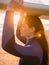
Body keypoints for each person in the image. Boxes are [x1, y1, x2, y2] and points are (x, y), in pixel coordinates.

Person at [2, 0, 48, 65]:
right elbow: (18, 34)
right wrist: (21, 17)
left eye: (23, 26)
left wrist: (10, 10)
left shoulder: (35, 50)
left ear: (32, 29)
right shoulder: (34, 41)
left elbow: (7, 45)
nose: (20, 28)